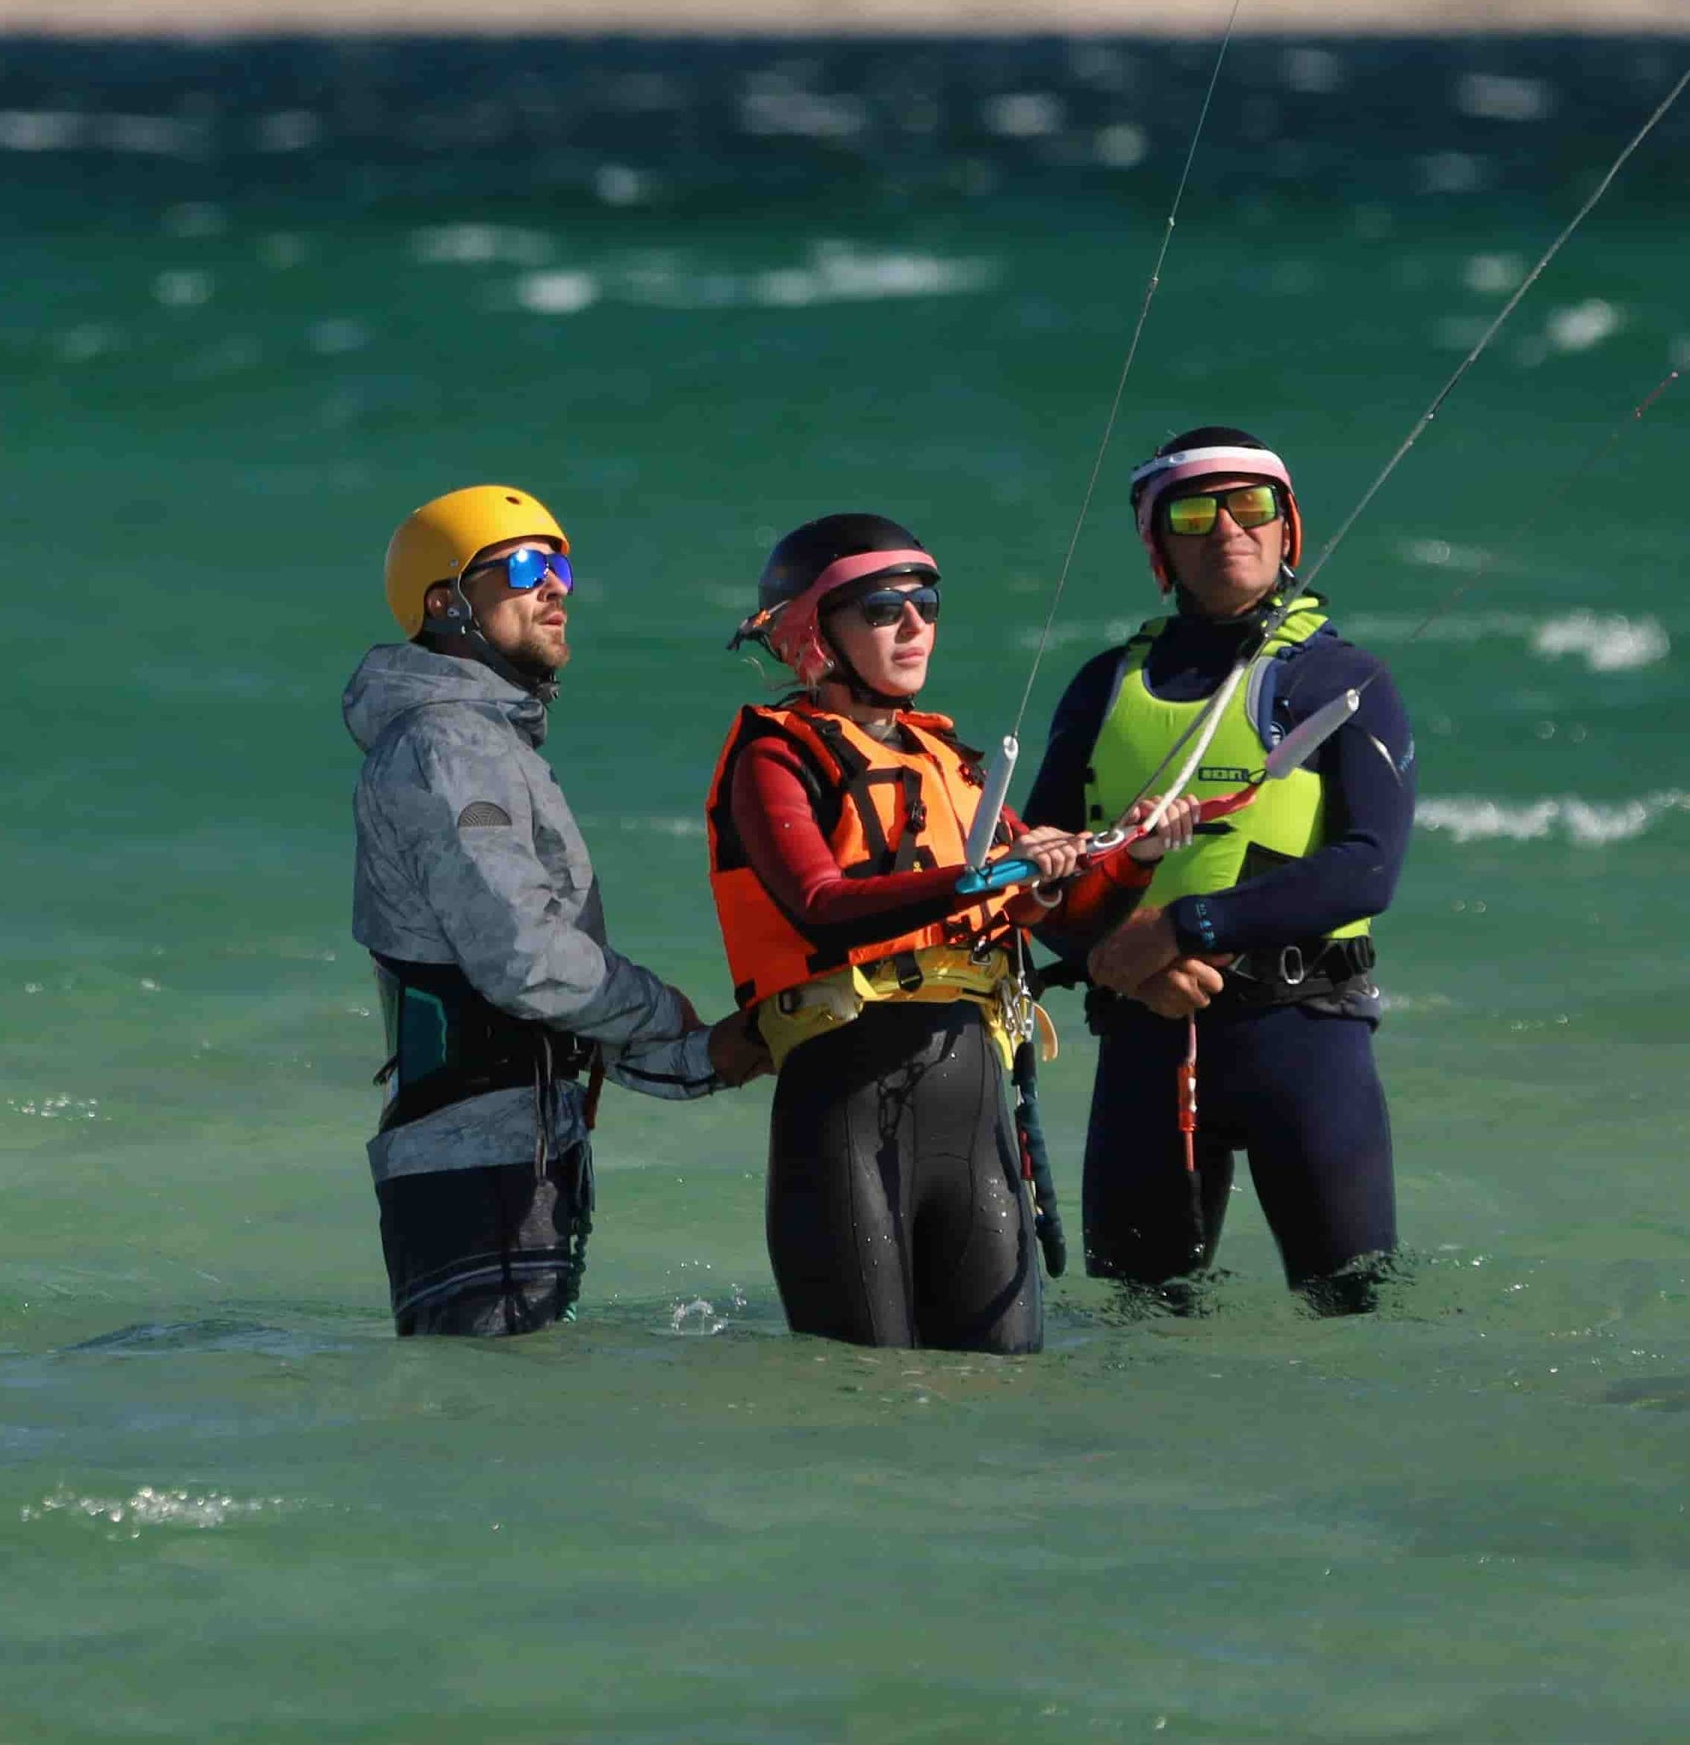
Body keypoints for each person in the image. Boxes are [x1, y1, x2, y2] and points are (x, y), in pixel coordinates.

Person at [349, 484, 764, 1338]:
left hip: (510, 1150)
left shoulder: (484, 739)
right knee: (491, 1436)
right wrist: (659, 1011)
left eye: (562, 565)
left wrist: (702, 1058)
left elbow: (535, 995)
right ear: (445, 601)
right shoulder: (449, 742)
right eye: (527, 567)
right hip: (477, 1164)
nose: (558, 587)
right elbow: (522, 957)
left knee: (512, 1437)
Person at [1027, 428, 1413, 1314]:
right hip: (1145, 1041)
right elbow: (1036, 872)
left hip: (1304, 1038)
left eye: (1254, 507)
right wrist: (1110, 956)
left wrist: (1180, 928)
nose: (1229, 529)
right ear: (1158, 544)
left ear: (1288, 531)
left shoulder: (1340, 678)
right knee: (1137, 1324)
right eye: (1196, 512)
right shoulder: (1103, 687)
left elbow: (1368, 870)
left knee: (1355, 1313)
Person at [706, 514, 1088, 1353]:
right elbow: (818, 901)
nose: (916, 625)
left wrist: (1082, 868)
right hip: (845, 1101)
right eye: (883, 609)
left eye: (927, 603)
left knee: (1002, 1391)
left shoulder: (953, 761)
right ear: (813, 634)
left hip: (976, 1107)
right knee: (865, 1397)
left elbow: (1021, 911)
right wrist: (989, 874)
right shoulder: (775, 755)